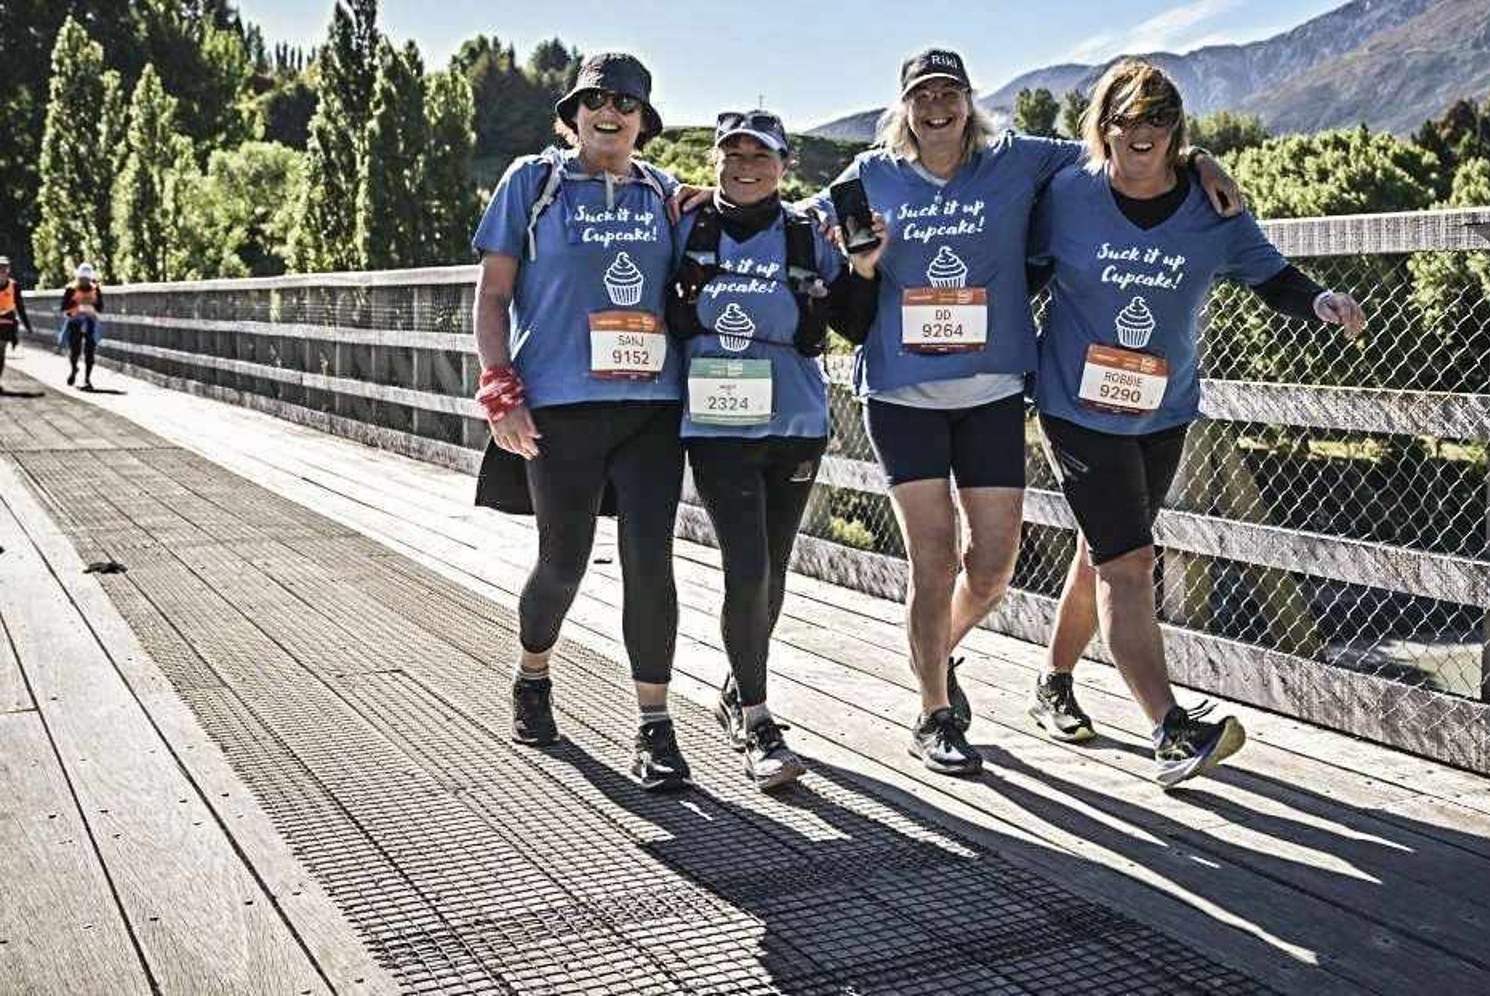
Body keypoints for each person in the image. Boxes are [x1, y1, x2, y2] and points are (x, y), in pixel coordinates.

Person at [816, 48, 1245, 776]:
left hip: (990, 392)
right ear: (904, 106)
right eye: (924, 95)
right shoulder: (865, 176)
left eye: (950, 92)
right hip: (902, 394)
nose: (938, 107)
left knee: (991, 570)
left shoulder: (1016, 158)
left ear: (969, 99)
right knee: (933, 560)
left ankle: (936, 652)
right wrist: (696, 202)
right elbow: (782, 220)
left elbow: (1118, 141)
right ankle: (933, 714)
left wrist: (1197, 157)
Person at [1025, 58, 1366, 787]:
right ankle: (1169, 729)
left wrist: (1321, 301)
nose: (1140, 134)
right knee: (1129, 563)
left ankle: (1053, 682)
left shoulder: (1209, 207)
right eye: (1126, 121)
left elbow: (1270, 272)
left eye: (1158, 121)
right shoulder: (1067, 193)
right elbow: (1015, 255)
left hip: (1162, 407)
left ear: (1176, 131)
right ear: (1102, 128)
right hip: (1075, 407)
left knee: (1109, 551)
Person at [471, 52, 698, 791]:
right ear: (573, 113)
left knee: (649, 563)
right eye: (596, 99)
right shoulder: (533, 184)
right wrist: (501, 390)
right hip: (560, 405)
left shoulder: (663, 193)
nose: (611, 111)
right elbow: (494, 295)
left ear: (644, 120)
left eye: (627, 102)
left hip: (651, 407)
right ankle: (533, 676)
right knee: (563, 561)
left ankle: (655, 726)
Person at [666, 110, 883, 790]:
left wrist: (865, 268)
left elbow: (852, 322)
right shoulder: (688, 225)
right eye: (733, 153)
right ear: (717, 161)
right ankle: (759, 720)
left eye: (761, 156)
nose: (746, 166)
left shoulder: (804, 234)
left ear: (785, 165)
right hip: (716, 425)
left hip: (793, 421)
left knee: (775, 567)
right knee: (747, 567)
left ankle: (739, 688)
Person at [60, 263, 105, 390]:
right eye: (82, 279)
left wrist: (92, 306)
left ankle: (87, 379)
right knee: (75, 350)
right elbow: (63, 307)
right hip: (75, 322)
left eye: (86, 279)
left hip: (90, 322)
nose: (84, 282)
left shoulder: (96, 290)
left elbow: (100, 308)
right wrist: (76, 304)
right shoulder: (70, 289)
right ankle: (74, 369)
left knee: (90, 351)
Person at [0, 256, 32, 389]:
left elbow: (20, 306)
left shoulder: (14, 286)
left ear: (8, 270)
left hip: (7, 324)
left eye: (4, 268)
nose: (1, 271)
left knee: (0, 351)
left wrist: (27, 324)